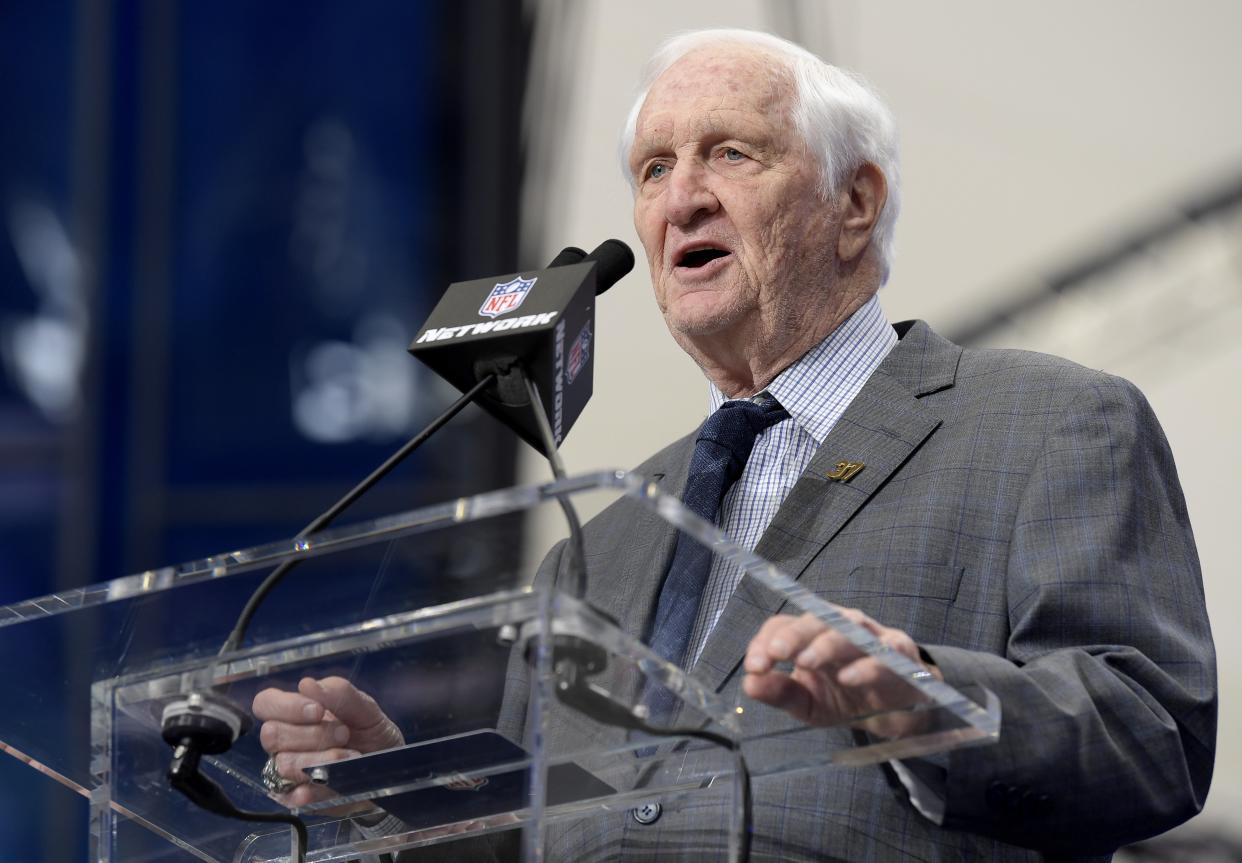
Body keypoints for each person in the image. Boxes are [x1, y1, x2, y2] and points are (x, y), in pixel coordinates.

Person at [252, 29, 1216, 861]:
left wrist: (921, 696)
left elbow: (1150, 738)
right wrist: (402, 795)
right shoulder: (596, 551)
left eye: (731, 155)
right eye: (654, 170)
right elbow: (551, 832)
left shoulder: (1047, 422)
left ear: (856, 204)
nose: (682, 201)